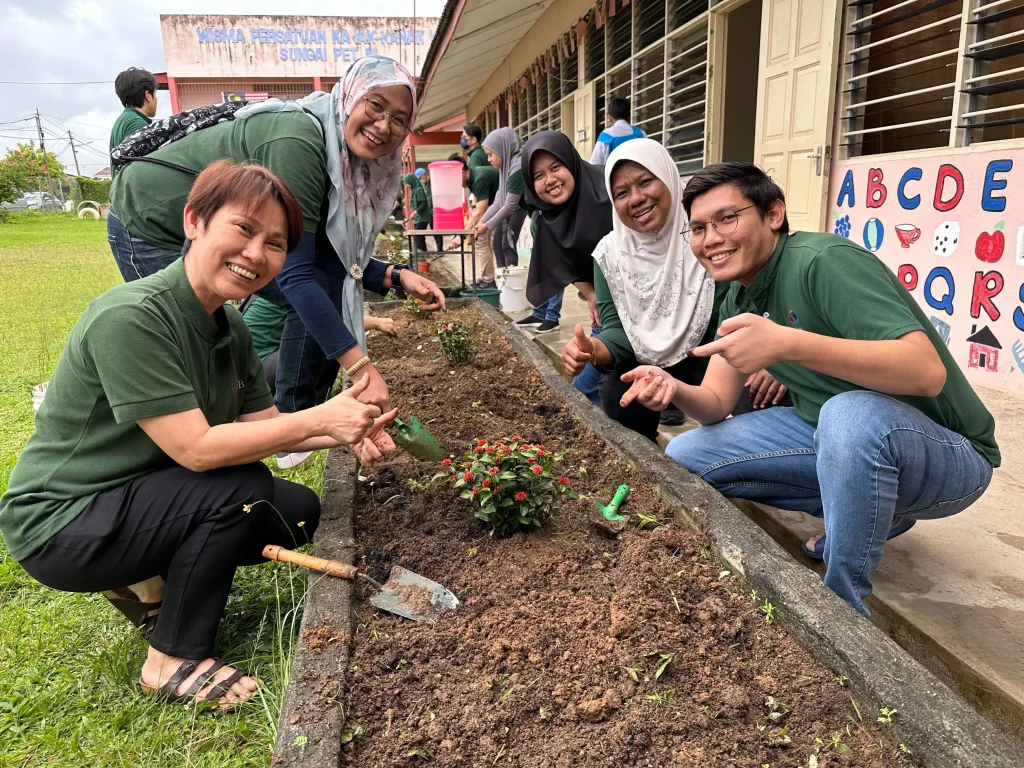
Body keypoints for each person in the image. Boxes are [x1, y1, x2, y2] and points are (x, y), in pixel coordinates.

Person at [0, 160, 397, 709]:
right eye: (243, 229)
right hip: (65, 521)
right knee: (240, 488)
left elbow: (264, 428)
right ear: (194, 221)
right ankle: (169, 658)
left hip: (142, 490)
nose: (256, 253)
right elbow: (196, 450)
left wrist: (345, 430)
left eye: (275, 244)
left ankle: (149, 577)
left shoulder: (228, 324)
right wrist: (320, 418)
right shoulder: (131, 318)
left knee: (297, 513)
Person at [625, 162, 999, 617]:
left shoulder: (823, 262)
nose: (711, 239)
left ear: (774, 214)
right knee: (688, 454)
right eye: (699, 228)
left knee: (846, 413)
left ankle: (843, 611)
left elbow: (925, 371)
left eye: (727, 218)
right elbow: (716, 405)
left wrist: (786, 343)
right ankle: (878, 515)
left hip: (951, 457)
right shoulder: (739, 296)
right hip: (842, 440)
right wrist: (674, 388)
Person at [107, 56, 446, 462]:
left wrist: (394, 275)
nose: (383, 125)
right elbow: (296, 275)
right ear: (350, 96)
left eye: (399, 119)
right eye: (375, 105)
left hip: (229, 230)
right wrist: (360, 367)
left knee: (315, 295)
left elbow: (328, 252)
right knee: (189, 335)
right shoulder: (299, 141)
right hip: (151, 218)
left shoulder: (344, 160)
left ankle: (290, 421)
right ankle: (197, 446)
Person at [560, 140, 787, 442]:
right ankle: (644, 457)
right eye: (622, 193)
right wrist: (591, 349)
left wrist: (778, 357)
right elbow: (618, 328)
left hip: (718, 363)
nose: (636, 198)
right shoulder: (610, 255)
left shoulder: (708, 234)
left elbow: (764, 299)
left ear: (667, 176)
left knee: (764, 394)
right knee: (619, 386)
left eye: (645, 182)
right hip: (651, 363)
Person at [521, 131, 610, 398]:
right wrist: (592, 293)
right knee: (588, 389)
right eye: (538, 175)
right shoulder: (545, 219)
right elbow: (564, 262)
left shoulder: (610, 190)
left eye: (555, 167)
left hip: (650, 298)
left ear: (570, 162)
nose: (550, 180)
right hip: (609, 309)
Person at [476, 128, 529, 295]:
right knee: (497, 243)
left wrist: (486, 226)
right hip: (509, 208)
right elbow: (498, 201)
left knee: (507, 244)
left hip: (520, 209)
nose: (488, 159)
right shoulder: (505, 168)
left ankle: (511, 290)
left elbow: (510, 205)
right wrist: (481, 222)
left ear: (502, 149)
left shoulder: (517, 168)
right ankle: (503, 287)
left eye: (490, 155)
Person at [452, 154, 500, 289]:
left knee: (483, 242)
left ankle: (490, 280)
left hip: (512, 205)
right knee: (483, 241)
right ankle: (488, 278)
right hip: (497, 205)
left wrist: (461, 235)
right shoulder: (473, 176)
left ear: (461, 173)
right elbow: (477, 208)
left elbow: (480, 212)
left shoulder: (480, 178)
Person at [109, 67, 158, 167]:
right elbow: (143, 168)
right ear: (148, 95)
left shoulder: (124, 119)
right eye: (155, 93)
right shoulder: (137, 123)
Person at [589, 97, 645, 167]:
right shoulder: (640, 134)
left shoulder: (606, 136)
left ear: (610, 118)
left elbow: (594, 165)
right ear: (629, 116)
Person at [403, 170, 433, 253]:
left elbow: (424, 204)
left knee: (419, 237)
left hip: (422, 217)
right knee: (418, 237)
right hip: (418, 218)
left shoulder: (419, 190)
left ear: (411, 181)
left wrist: (415, 212)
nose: (406, 185)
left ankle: (423, 254)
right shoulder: (414, 190)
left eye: (407, 183)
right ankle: (421, 254)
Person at [417, 167, 444, 251]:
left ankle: (440, 249)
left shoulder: (433, 183)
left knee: (436, 230)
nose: (420, 180)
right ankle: (438, 249)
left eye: (420, 178)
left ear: (424, 175)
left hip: (434, 210)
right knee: (433, 229)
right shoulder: (427, 184)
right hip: (429, 211)